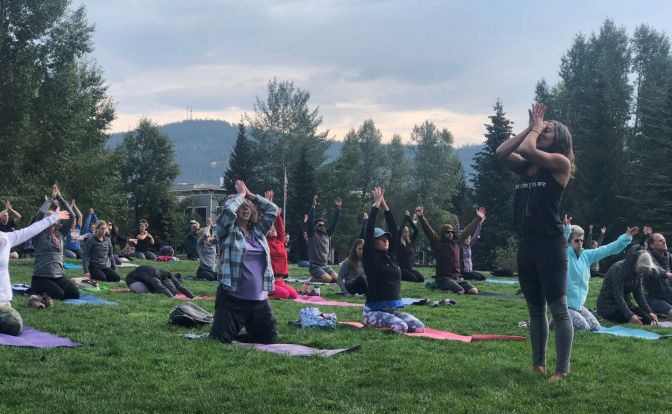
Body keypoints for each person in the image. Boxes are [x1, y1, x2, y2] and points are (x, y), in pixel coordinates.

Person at [495, 102, 574, 381]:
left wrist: (535, 128)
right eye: (541, 129)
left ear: (559, 139)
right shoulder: (525, 166)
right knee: (535, 309)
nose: (541, 132)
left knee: (559, 309)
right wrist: (530, 127)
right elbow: (502, 152)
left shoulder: (560, 163)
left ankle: (561, 370)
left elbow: (528, 149)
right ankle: (538, 364)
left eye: (547, 130)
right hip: (527, 244)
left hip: (550, 244)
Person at [210, 180, 279, 344]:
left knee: (269, 339)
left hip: (259, 301)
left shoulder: (258, 232)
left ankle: (238, 333)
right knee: (219, 340)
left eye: (248, 206)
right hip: (232, 299)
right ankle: (230, 331)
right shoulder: (226, 232)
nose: (246, 208)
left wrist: (250, 196)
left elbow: (273, 210)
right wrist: (240, 196)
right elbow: (228, 211)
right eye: (241, 206)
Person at [362, 187, 424, 333]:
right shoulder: (370, 256)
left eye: (387, 238)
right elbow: (369, 230)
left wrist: (385, 207)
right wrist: (376, 206)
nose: (386, 241)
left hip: (392, 311)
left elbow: (394, 232)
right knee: (401, 327)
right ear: (373, 242)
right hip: (373, 312)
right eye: (381, 239)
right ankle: (369, 325)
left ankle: (385, 323)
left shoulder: (392, 256)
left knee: (419, 327)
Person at [0, 208, 69, 335]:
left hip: (2, 303)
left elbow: (32, 229)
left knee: (15, 325)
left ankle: (31, 300)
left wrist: (54, 217)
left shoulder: (6, 238)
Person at [563, 218, 637, 331]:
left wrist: (626, 237)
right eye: (576, 240)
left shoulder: (586, 255)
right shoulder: (563, 254)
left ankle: (557, 320)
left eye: (582, 240)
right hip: (564, 305)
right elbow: (559, 245)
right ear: (569, 241)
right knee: (584, 328)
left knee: (596, 328)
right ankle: (559, 318)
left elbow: (607, 249)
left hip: (578, 305)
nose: (580, 243)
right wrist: (566, 230)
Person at [417, 205, 485, 294]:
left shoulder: (457, 242)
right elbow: (428, 230)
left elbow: (468, 230)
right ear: (443, 233)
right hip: (444, 278)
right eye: (448, 232)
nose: (450, 234)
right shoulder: (437, 242)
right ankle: (439, 288)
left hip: (458, 278)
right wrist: (421, 217)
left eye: (452, 232)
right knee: (460, 291)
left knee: (474, 291)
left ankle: (445, 290)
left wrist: (478, 219)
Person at [29, 185, 80, 300]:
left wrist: (60, 198)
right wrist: (51, 198)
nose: (50, 219)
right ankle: (37, 288)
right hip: (41, 277)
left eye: (52, 216)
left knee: (74, 294)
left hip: (58, 276)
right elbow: (41, 213)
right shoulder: (39, 233)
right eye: (48, 217)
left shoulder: (60, 233)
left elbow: (72, 216)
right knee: (59, 295)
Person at [597, 246, 658, 326]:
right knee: (625, 319)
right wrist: (630, 315)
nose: (643, 271)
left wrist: (649, 312)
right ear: (635, 263)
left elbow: (639, 294)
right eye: (642, 268)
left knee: (647, 319)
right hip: (608, 305)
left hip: (626, 303)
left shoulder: (638, 273)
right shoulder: (618, 268)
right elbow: (618, 296)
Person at [263, 191, 298, 301]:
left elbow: (280, 226)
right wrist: (267, 205)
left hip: (281, 281)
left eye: (274, 228)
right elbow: (263, 223)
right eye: (270, 229)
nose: (273, 229)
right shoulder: (265, 242)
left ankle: (276, 290)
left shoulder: (280, 241)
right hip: (270, 281)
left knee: (294, 295)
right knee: (285, 295)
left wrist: (275, 211)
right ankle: (264, 291)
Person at [307, 194, 341, 283]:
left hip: (325, 266)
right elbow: (310, 222)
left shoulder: (327, 234)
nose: (322, 226)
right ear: (315, 227)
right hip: (315, 266)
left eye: (323, 225)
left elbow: (334, 223)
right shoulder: (312, 234)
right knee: (328, 279)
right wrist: (313, 206)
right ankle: (313, 280)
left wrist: (338, 209)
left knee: (337, 279)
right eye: (320, 225)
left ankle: (323, 278)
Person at [643, 233, 672, 318]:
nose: (664, 242)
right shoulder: (647, 257)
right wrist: (667, 274)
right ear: (652, 246)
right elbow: (654, 269)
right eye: (660, 240)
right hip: (655, 299)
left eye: (664, 240)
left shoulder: (668, 256)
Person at [126, 265, 194, 298]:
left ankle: (150, 287)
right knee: (145, 291)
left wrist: (191, 296)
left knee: (156, 288)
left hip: (144, 276)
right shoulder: (154, 278)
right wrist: (172, 298)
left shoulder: (166, 274)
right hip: (132, 279)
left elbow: (179, 286)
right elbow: (162, 288)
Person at [397, 210, 424, 283]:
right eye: (404, 231)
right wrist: (405, 218)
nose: (406, 233)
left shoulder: (409, 242)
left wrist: (409, 219)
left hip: (410, 269)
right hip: (402, 269)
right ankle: (400, 276)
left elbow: (416, 231)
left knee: (421, 279)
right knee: (414, 279)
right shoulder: (397, 241)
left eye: (407, 232)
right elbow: (399, 231)